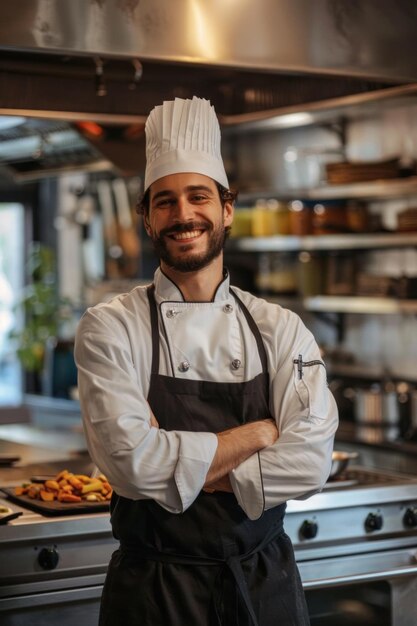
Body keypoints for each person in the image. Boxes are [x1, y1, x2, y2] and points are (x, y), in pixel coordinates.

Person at [74, 96, 338, 626]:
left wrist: (176, 461)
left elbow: (310, 463)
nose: (183, 215)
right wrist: (258, 434)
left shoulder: (280, 328)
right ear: (146, 217)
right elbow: (129, 463)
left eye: (198, 196)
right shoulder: (111, 326)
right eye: (165, 201)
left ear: (227, 208)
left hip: (265, 587)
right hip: (153, 593)